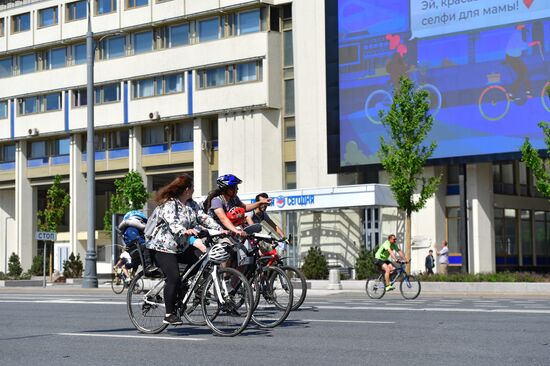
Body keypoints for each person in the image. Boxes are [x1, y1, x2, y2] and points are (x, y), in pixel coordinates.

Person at [146, 174, 221, 326]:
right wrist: (184, 230)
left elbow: (204, 218)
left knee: (202, 259)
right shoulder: (169, 204)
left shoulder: (192, 204)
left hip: (180, 247)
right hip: (162, 248)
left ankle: (182, 287)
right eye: (193, 188)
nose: (193, 190)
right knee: (173, 278)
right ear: (188, 189)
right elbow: (173, 222)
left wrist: (221, 229)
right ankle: (169, 314)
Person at [203, 174, 272, 269]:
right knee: (225, 251)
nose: (237, 189)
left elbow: (245, 208)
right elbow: (223, 219)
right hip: (219, 233)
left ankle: (234, 283)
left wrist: (261, 202)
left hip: (232, 233)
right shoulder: (217, 200)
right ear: (227, 188)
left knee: (244, 259)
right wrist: (236, 230)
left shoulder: (234, 199)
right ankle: (224, 278)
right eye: (235, 187)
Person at [505, 24, 541, 100]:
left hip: (513, 57)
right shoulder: (516, 34)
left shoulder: (518, 33)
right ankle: (522, 93)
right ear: (518, 26)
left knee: (523, 73)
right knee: (524, 73)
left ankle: (516, 93)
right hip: (512, 58)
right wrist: (535, 43)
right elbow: (522, 46)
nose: (524, 24)